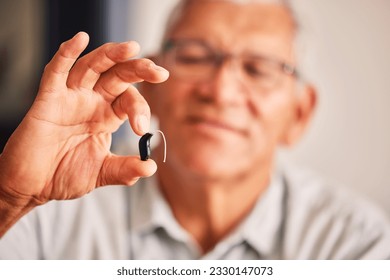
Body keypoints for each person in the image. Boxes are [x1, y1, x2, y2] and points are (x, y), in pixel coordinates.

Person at [0, 0, 390, 259]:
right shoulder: (42, 214)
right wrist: (9, 197)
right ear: (149, 82)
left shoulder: (354, 243)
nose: (220, 91)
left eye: (258, 69)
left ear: (299, 115)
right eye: (194, 56)